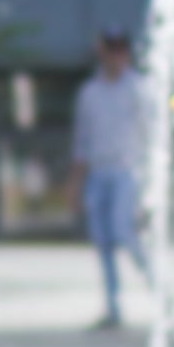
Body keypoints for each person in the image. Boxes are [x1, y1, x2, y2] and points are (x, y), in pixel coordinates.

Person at [71, 28, 148, 327]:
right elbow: (82, 141)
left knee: (123, 232)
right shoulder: (90, 93)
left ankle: (160, 290)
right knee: (103, 242)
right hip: (98, 173)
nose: (116, 56)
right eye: (110, 48)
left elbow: (151, 136)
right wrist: (75, 183)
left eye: (121, 49)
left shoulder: (139, 89)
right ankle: (113, 308)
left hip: (126, 171)